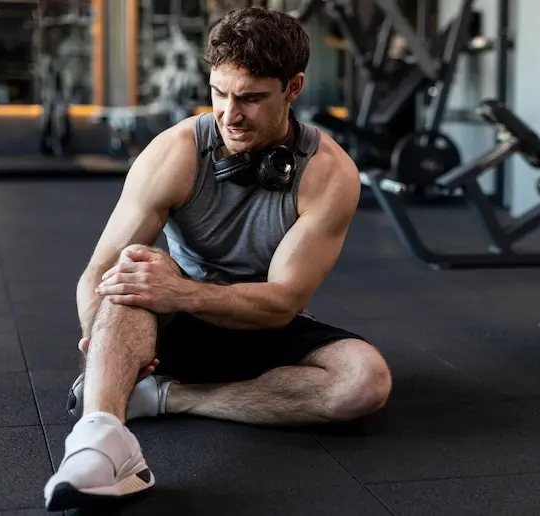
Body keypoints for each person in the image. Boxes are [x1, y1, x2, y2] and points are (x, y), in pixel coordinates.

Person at [43, 6, 393, 511]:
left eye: (250, 98)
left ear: (293, 88)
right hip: (171, 324)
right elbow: (99, 269)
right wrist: (99, 331)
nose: (230, 115)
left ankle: (166, 398)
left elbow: (282, 304)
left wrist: (182, 290)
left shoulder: (328, 174)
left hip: (260, 321)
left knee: (367, 381)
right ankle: (100, 442)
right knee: (131, 274)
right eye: (219, 93)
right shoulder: (177, 152)